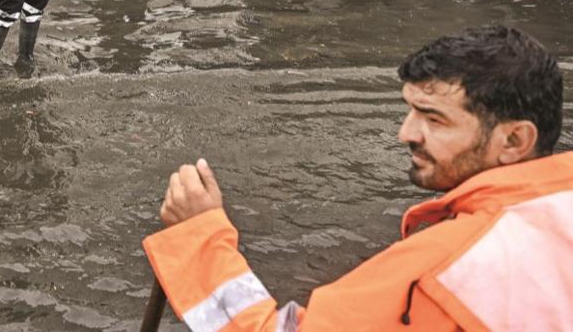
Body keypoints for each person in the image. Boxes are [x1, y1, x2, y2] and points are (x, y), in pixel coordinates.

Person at [144, 25, 571, 331]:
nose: (405, 133)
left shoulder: (444, 270)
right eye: (410, 110)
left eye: (434, 119)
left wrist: (199, 239)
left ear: (514, 139)